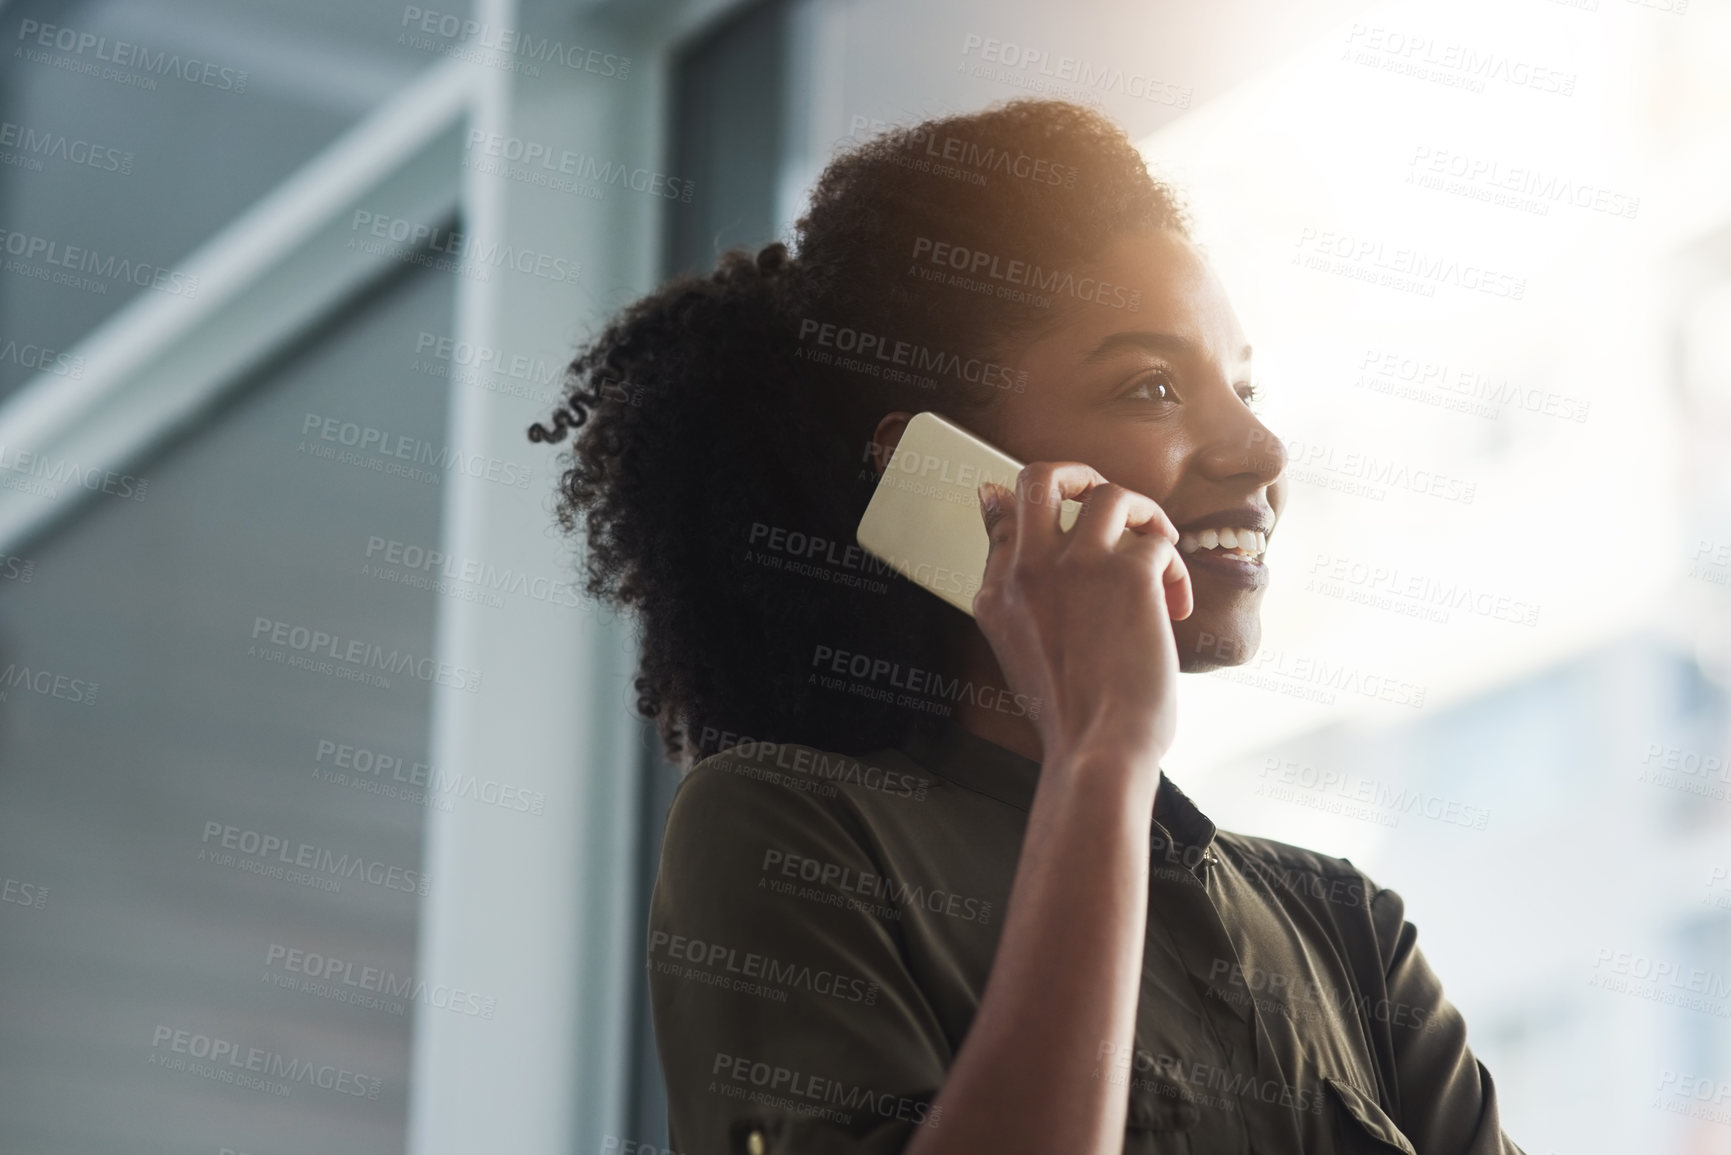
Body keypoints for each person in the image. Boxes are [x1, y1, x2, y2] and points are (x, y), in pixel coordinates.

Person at [530, 99, 1526, 1155]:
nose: (1261, 448)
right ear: (949, 478)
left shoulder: (1347, 935)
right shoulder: (785, 834)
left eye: (1242, 385)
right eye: (1152, 387)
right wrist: (1102, 750)